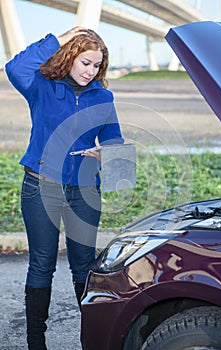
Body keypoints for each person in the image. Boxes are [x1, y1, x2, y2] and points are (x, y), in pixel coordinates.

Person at [5, 26, 124, 350]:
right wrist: (59, 37)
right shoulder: (42, 86)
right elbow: (14, 67)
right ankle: (35, 343)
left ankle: (93, 340)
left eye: (97, 65)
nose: (91, 71)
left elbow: (115, 140)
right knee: (42, 263)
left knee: (84, 265)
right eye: (86, 62)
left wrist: (106, 154)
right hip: (40, 185)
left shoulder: (103, 96)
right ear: (70, 56)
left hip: (84, 190)